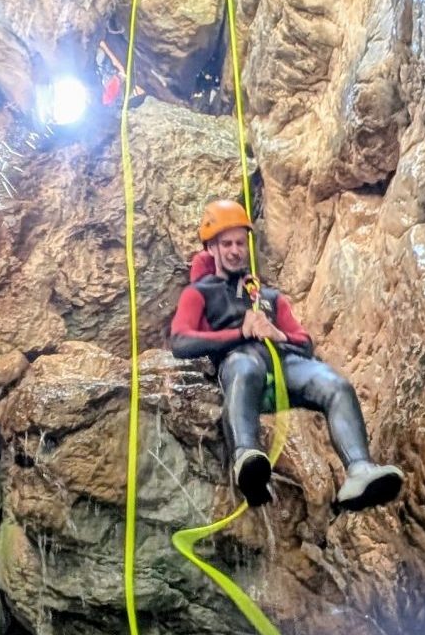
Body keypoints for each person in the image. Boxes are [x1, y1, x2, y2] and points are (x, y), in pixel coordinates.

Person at [168, 201, 404, 512]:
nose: (235, 250)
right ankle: (246, 458)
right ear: (211, 247)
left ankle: (359, 470)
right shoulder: (198, 293)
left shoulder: (268, 297)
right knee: (246, 366)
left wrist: (277, 335)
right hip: (238, 363)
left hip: (283, 363)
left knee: (335, 385)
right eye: (227, 243)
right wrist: (241, 334)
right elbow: (181, 341)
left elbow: (304, 342)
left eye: (240, 242)